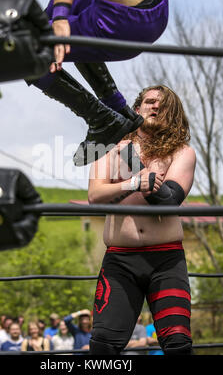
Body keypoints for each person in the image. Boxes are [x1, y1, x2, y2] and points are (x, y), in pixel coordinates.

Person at [88, 85, 196, 355]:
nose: (155, 107)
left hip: (166, 259)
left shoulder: (182, 152)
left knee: (178, 345)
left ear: (172, 114)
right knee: (103, 345)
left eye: (163, 104)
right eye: (149, 102)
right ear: (136, 109)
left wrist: (137, 171)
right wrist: (133, 182)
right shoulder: (109, 148)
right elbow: (95, 195)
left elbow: (169, 201)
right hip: (120, 260)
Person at [27, 0, 169, 166]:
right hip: (158, 6)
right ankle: (118, 109)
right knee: (50, 14)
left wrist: (61, 18)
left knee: (21, 49)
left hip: (122, 25)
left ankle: (102, 120)